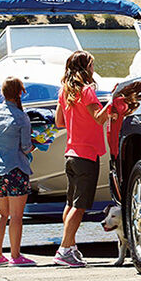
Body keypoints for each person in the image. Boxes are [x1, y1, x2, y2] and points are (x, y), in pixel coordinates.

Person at [54, 51, 117, 267]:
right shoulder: (87, 90)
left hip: (70, 154)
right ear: (85, 67)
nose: (93, 69)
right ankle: (64, 250)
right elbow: (99, 119)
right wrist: (113, 102)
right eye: (91, 65)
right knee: (79, 207)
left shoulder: (64, 91)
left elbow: (59, 122)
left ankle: (70, 247)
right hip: (86, 156)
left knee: (71, 204)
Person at [0, 77, 36, 267]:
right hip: (15, 168)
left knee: (1, 212)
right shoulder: (22, 117)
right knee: (16, 216)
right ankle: (15, 256)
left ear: (2, 93)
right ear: (20, 93)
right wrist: (35, 145)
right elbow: (25, 147)